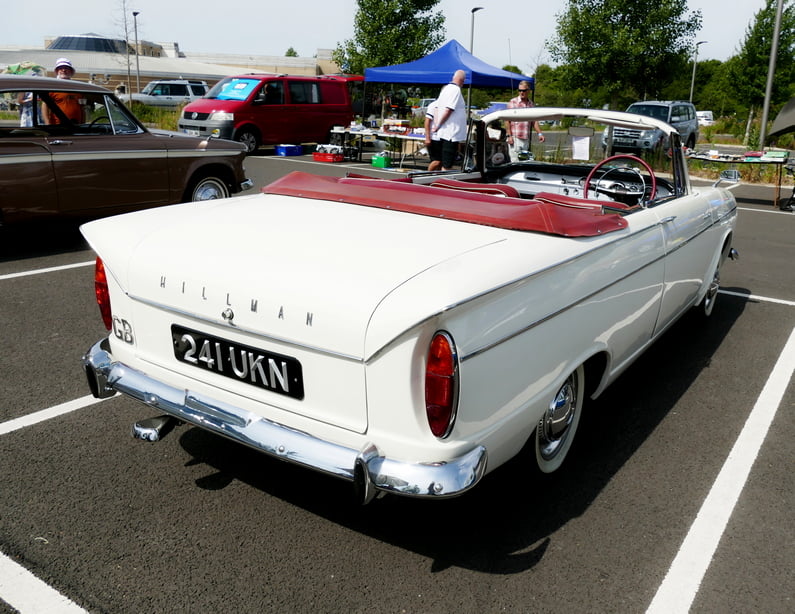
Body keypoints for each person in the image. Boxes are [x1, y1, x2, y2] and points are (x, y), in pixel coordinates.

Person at [431, 70, 467, 171]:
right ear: (462, 80)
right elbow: (448, 109)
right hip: (451, 133)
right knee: (447, 165)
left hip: (444, 132)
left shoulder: (445, 89)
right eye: (463, 81)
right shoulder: (455, 90)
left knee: (443, 161)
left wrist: (437, 125)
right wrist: (438, 125)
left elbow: (437, 108)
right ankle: (444, 183)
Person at [505, 80, 545, 162]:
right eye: (519, 90)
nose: (521, 92)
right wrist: (509, 136)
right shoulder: (513, 102)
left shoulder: (531, 104)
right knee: (515, 162)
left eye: (523, 90)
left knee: (525, 162)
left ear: (528, 91)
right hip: (515, 138)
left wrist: (540, 133)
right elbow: (506, 120)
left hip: (525, 138)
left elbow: (534, 121)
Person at [41, 58, 84, 125]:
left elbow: (82, 107)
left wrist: (83, 124)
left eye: (66, 68)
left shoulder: (77, 88)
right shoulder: (52, 87)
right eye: (61, 68)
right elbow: (45, 105)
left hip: (76, 125)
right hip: (57, 126)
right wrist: (47, 122)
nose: (63, 70)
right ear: (57, 71)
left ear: (71, 71)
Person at [423, 99, 442, 171]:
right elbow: (427, 121)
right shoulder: (434, 105)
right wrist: (428, 137)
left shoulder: (448, 105)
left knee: (441, 162)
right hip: (434, 137)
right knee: (436, 161)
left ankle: (437, 176)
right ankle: (427, 175)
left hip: (443, 137)